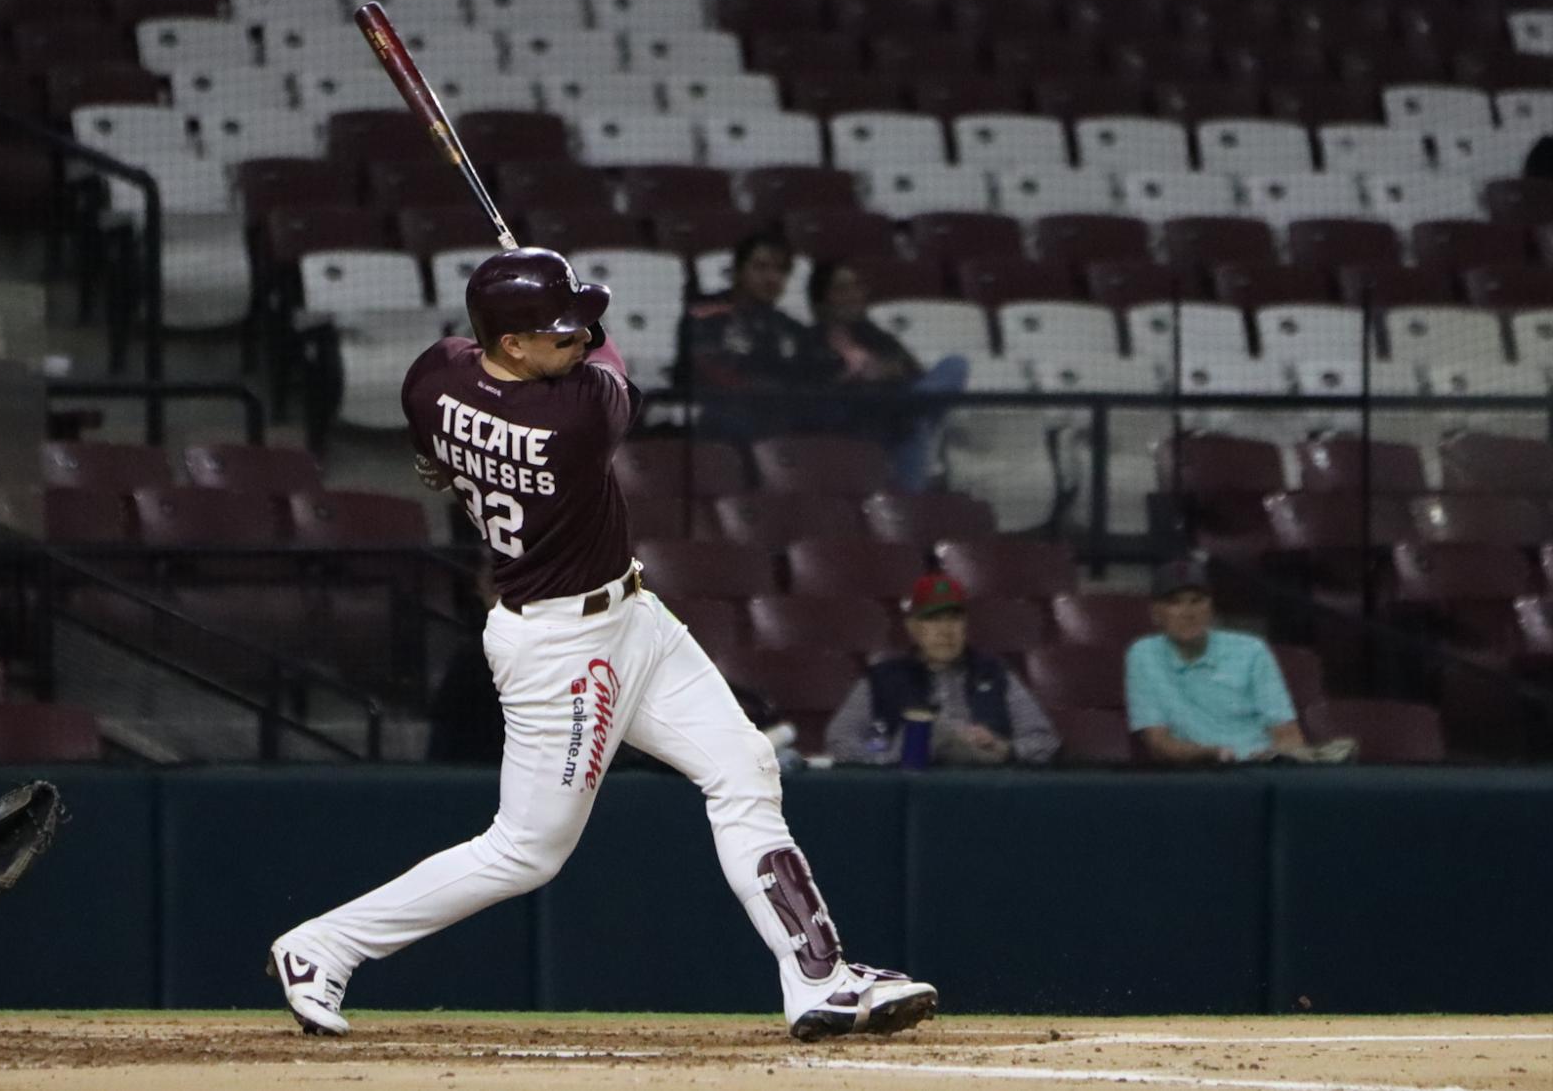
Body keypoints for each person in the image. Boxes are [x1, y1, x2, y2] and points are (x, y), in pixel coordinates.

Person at [268, 246, 937, 1042]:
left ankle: (818, 979)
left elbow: (441, 438)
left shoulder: (432, 375)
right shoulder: (577, 414)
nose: (579, 339)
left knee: (743, 766)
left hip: (632, 616)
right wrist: (579, 316)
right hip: (562, 644)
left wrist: (536, 295)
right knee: (526, 851)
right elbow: (611, 358)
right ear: (513, 345)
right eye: (559, 330)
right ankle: (322, 946)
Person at [1125, 558, 1347, 765]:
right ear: (1155, 613)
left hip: (1260, 767)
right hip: (1196, 772)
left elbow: (1287, 733)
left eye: (1197, 601)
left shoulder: (1251, 650)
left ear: (1211, 607)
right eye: (1175, 603)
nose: (1189, 612)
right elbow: (1158, 743)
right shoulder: (1143, 655)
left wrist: (1277, 759)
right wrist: (1212, 754)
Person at [823, 573, 1059, 767]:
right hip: (914, 786)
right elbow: (840, 740)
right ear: (913, 627)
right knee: (930, 733)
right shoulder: (883, 678)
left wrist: (1004, 747)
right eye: (933, 620)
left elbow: (1045, 741)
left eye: (954, 620)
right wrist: (889, 758)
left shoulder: (994, 674)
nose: (946, 631)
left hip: (984, 785)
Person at [806, 259, 970, 491]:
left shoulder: (876, 335)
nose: (853, 294)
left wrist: (888, 369)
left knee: (955, 364)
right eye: (842, 288)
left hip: (899, 410)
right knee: (914, 423)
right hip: (859, 422)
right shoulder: (811, 339)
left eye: (856, 287)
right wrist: (855, 374)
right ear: (822, 300)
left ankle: (908, 409)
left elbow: (914, 371)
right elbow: (818, 390)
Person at [677, 232, 814, 390]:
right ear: (738, 271)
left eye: (781, 269)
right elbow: (708, 374)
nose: (772, 278)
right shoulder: (705, 317)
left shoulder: (791, 329)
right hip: (718, 409)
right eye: (761, 267)